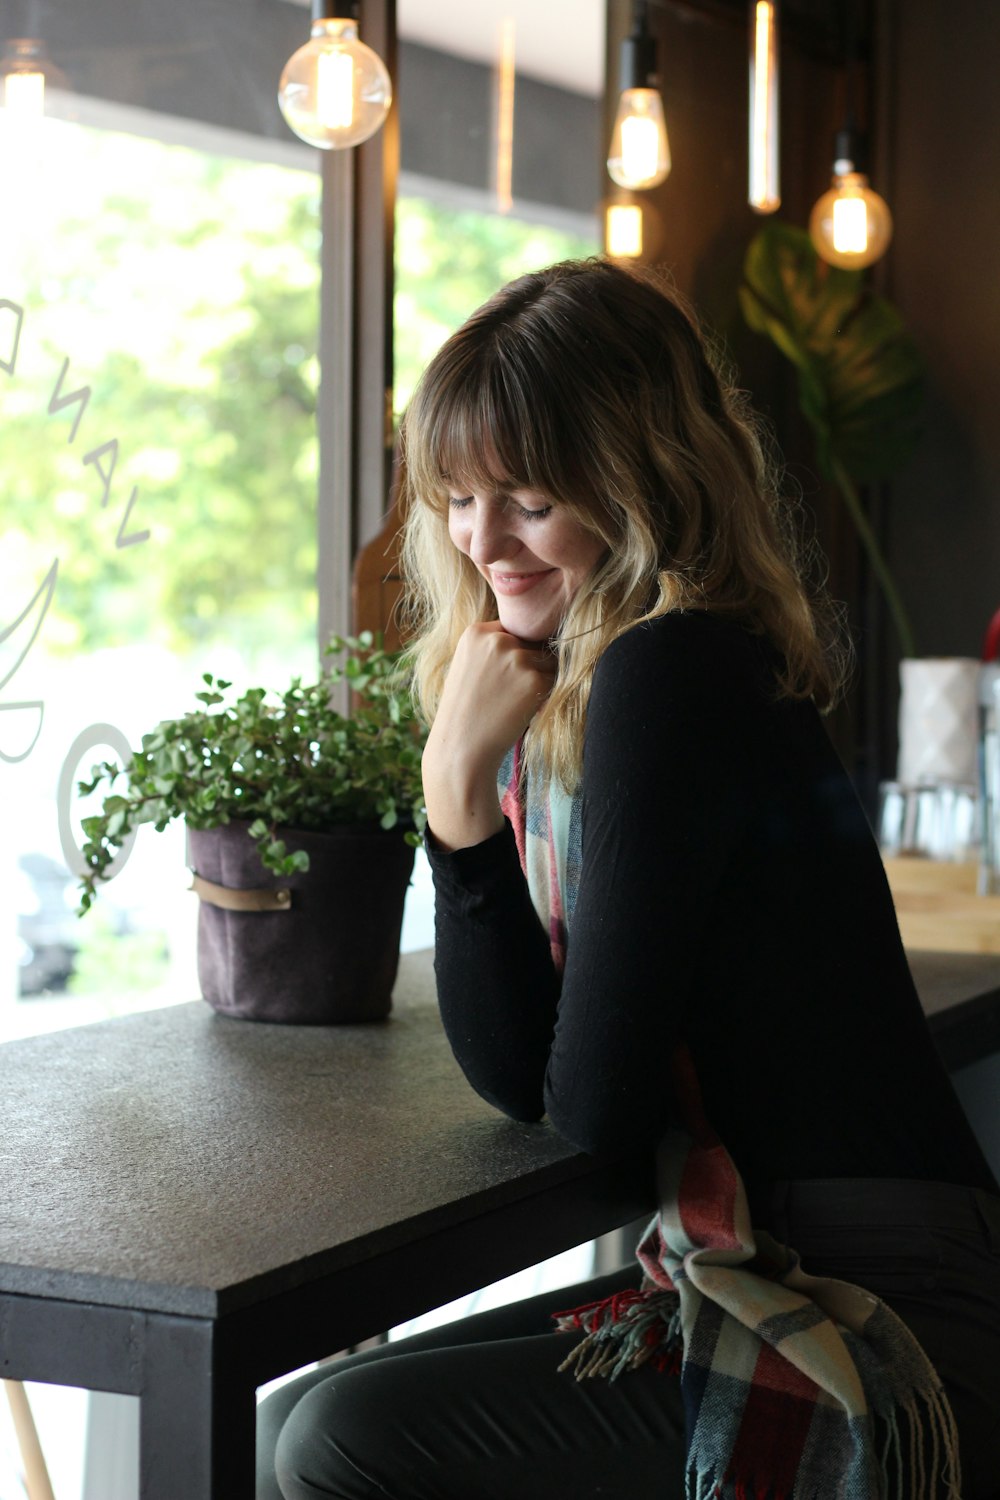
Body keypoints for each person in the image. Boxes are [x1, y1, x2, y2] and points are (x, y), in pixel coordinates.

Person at [257, 259, 1000, 1500]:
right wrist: (464, 797)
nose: (479, 543)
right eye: (454, 499)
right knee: (288, 1417)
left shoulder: (673, 674)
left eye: (528, 501)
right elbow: (518, 1077)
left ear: (640, 486)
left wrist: (453, 796)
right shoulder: (593, 689)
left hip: (889, 1311)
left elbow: (586, 1104)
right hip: (752, 1260)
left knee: (338, 1442)